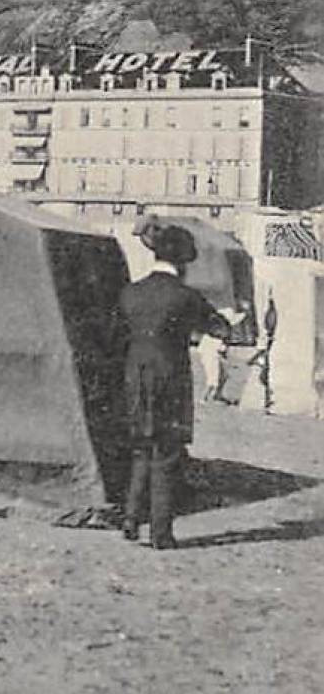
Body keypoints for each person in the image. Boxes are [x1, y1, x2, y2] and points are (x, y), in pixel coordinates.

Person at [116, 225, 244, 549]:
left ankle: (130, 519)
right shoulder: (186, 297)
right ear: (183, 262)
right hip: (170, 379)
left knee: (141, 449)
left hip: (134, 376)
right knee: (167, 454)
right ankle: (161, 533)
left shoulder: (131, 292)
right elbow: (222, 330)